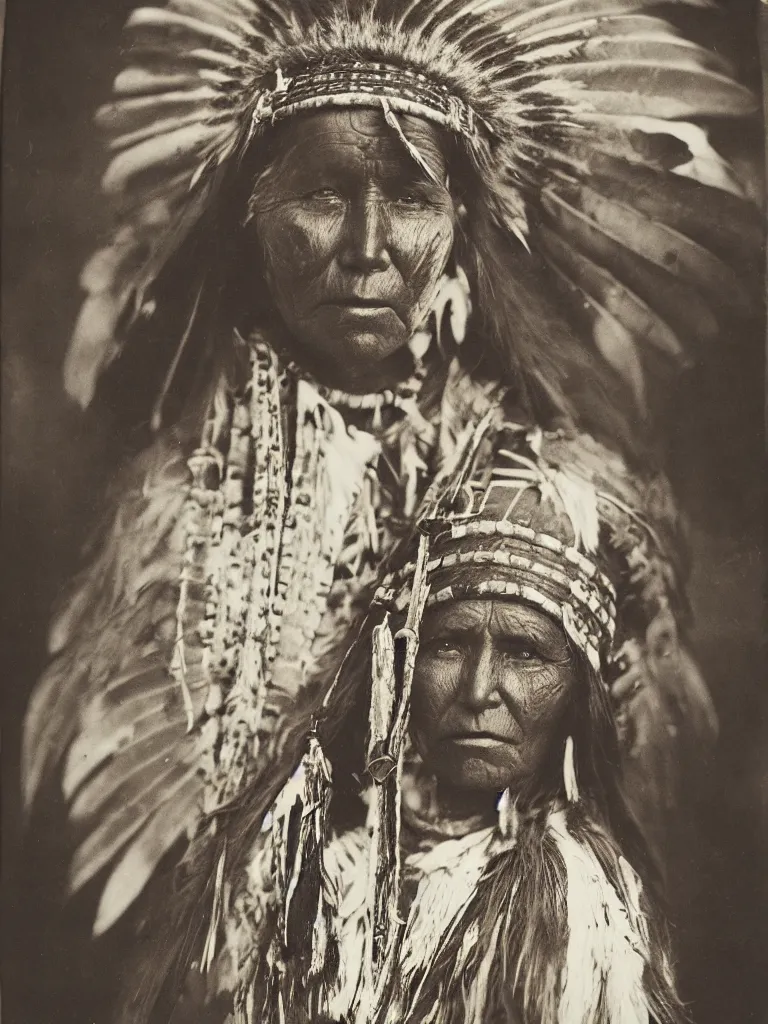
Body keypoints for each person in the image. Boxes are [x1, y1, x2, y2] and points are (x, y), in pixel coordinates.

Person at [20, 0, 757, 1019]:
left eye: (409, 196)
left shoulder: (572, 499)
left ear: (463, 223)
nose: (365, 245)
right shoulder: (171, 520)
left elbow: (624, 814)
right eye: (321, 193)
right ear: (252, 212)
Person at [193, 420, 690, 1024]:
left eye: (525, 652)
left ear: (578, 695)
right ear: (402, 662)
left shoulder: (581, 918)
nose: (479, 691)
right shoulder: (310, 865)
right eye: (449, 645)